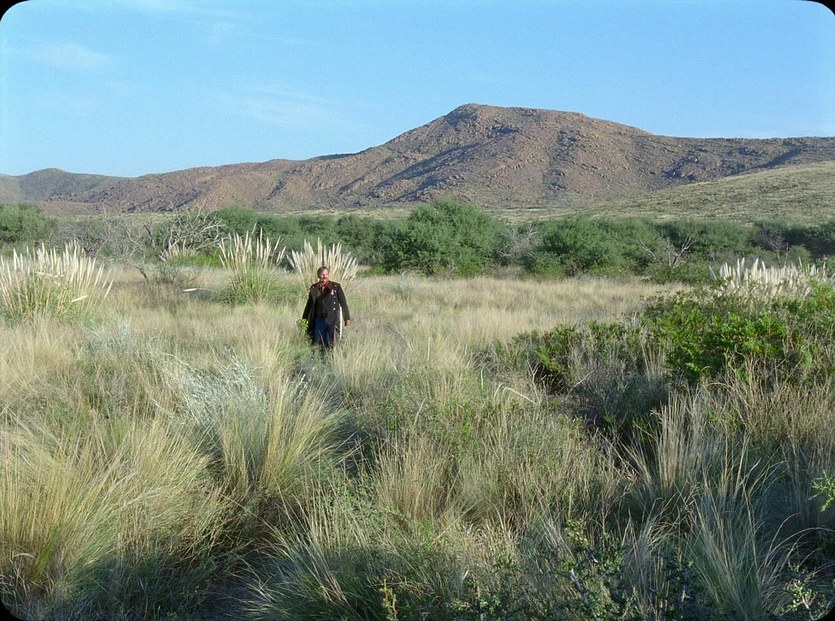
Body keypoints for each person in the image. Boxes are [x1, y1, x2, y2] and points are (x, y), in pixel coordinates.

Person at [302, 266, 351, 349]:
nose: (324, 276)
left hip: (332, 318)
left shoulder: (335, 286)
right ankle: (320, 356)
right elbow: (309, 305)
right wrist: (304, 319)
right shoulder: (314, 287)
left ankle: (332, 356)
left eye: (326, 274)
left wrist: (347, 318)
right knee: (318, 341)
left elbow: (343, 303)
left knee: (332, 341)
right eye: (322, 274)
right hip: (319, 318)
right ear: (318, 275)